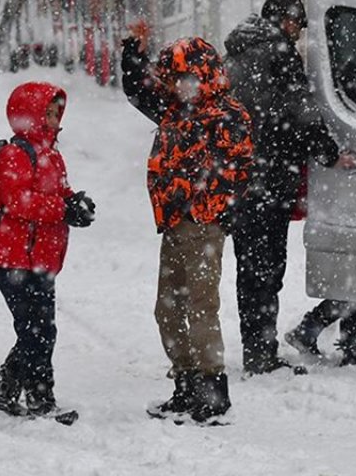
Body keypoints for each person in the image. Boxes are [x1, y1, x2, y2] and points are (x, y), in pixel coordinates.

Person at [223, 0, 356, 375]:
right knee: (267, 270)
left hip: (241, 179)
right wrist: (330, 153)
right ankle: (262, 354)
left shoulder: (235, 54)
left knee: (249, 269)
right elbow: (298, 113)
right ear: (285, 20)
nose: (299, 33)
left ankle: (257, 349)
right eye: (298, 24)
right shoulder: (279, 53)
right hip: (271, 178)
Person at [122, 29, 253, 425]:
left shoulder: (227, 114)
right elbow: (137, 90)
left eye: (189, 78)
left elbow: (238, 169)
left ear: (206, 75)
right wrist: (132, 52)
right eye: (176, 80)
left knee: (200, 306)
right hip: (176, 225)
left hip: (204, 226)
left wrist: (208, 205)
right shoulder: (173, 111)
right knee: (168, 308)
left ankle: (212, 391)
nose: (182, 87)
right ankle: (185, 383)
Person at [0, 82, 95, 419]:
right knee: (37, 331)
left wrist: (76, 203)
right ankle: (39, 399)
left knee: (38, 329)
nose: (53, 119)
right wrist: (63, 210)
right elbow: (17, 201)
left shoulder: (52, 154)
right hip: (15, 257)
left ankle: (5, 394)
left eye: (55, 112)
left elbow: (58, 193)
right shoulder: (14, 153)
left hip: (41, 257)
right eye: (46, 112)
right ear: (28, 115)